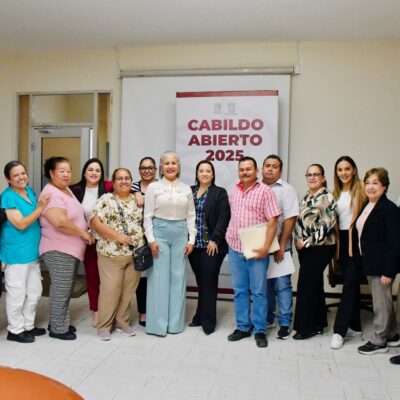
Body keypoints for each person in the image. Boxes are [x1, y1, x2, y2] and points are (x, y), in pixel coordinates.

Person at [226, 156, 280, 348]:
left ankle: (260, 330)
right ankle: (243, 327)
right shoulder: (233, 191)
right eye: (241, 169)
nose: (245, 172)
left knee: (259, 292)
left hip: (257, 250)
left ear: (256, 171)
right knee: (240, 291)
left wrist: (266, 247)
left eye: (248, 169)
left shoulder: (265, 191)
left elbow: (273, 221)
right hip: (235, 247)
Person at [39, 157, 94, 340]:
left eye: (68, 171)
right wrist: (83, 233)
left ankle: (58, 321)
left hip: (69, 249)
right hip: (58, 248)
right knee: (61, 289)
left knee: (65, 287)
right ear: (51, 173)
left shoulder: (65, 190)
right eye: (61, 171)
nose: (66, 174)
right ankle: (58, 329)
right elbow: (60, 222)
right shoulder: (51, 193)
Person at [143, 151, 196, 336]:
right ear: (161, 167)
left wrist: (191, 240)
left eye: (174, 163)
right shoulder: (153, 187)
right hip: (159, 234)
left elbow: (191, 216)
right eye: (167, 163)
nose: (170, 166)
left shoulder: (186, 189)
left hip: (180, 234)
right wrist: (151, 240)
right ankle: (157, 326)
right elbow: (147, 216)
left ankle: (175, 325)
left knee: (178, 278)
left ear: (179, 166)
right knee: (159, 278)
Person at [91, 168, 144, 341]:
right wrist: (117, 236)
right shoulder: (106, 199)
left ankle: (122, 323)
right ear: (113, 183)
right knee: (110, 291)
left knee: (128, 291)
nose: (123, 181)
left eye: (127, 178)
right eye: (119, 178)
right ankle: (104, 326)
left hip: (134, 254)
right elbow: (95, 223)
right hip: (110, 254)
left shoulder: (137, 200)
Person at [0, 161, 48, 343]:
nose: (21, 177)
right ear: (8, 179)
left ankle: (28, 325)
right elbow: (20, 224)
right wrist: (40, 208)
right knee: (17, 293)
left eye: (23, 173)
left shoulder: (29, 191)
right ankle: (15, 330)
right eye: (16, 175)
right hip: (15, 253)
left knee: (35, 292)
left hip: (31, 252)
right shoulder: (7, 197)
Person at [354, 168, 400, 355]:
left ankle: (379, 341)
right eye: (368, 182)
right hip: (371, 262)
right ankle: (392, 335)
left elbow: (395, 243)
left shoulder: (389, 209)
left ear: (385, 186)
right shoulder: (368, 205)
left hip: (382, 266)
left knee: (381, 304)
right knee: (384, 301)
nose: (370, 187)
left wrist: (388, 271)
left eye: (375, 183)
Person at [293, 164, 337, 340]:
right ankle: (319, 323)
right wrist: (298, 239)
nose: (312, 177)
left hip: (321, 247)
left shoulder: (326, 197)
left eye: (316, 174)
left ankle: (306, 327)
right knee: (315, 283)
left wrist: (305, 241)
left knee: (305, 285)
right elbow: (300, 221)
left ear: (323, 178)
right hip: (305, 247)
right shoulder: (307, 196)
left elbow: (327, 225)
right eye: (309, 174)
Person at [188, 160, 230, 335]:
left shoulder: (219, 193)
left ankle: (208, 321)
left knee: (209, 281)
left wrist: (215, 239)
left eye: (208, 171)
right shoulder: (190, 191)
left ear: (212, 174)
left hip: (211, 246)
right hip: (194, 245)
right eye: (201, 171)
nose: (204, 173)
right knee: (201, 281)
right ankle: (199, 315)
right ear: (197, 174)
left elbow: (224, 217)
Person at [70, 158, 113, 328]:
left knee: (109, 277)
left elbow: (127, 186)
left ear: (102, 174)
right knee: (93, 276)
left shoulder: (108, 187)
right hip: (88, 240)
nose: (94, 173)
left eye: (97, 170)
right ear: (84, 172)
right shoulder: (75, 190)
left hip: (108, 239)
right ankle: (96, 310)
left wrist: (138, 194)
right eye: (90, 169)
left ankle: (109, 309)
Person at [262, 155, 299, 340]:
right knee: (265, 285)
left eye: (274, 166)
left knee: (283, 285)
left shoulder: (287, 190)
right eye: (267, 165)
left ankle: (284, 323)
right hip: (261, 247)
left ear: (280, 170)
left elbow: (290, 218)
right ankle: (269, 318)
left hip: (279, 246)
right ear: (262, 168)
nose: (270, 169)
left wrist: (282, 245)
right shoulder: (257, 187)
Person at [330, 156, 365, 349]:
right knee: (351, 282)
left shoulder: (362, 188)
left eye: (347, 169)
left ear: (354, 170)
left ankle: (339, 331)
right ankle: (355, 325)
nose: (343, 173)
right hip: (341, 240)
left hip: (357, 239)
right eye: (340, 169)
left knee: (350, 284)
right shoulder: (335, 193)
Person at [130, 156, 158, 327]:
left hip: (158, 235)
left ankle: (156, 308)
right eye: (143, 168)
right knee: (142, 275)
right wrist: (135, 193)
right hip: (138, 237)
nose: (147, 171)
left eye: (150, 168)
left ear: (155, 170)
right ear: (139, 170)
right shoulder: (132, 187)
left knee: (157, 274)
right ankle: (143, 311)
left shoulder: (161, 186)